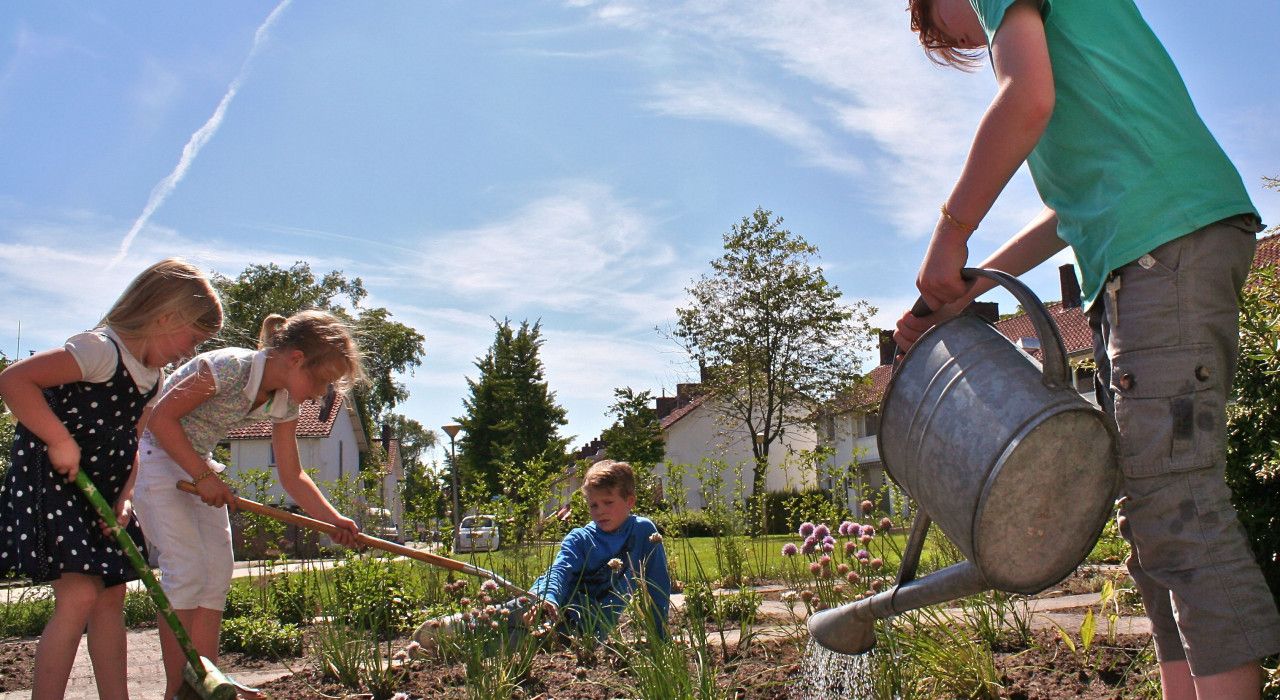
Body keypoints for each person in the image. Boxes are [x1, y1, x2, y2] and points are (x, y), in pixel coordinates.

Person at [894, 1, 1280, 698]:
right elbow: (1071, 211)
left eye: (949, 30)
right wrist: (974, 279)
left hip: (1162, 247)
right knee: (1154, 521)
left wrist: (950, 233)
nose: (967, 39)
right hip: (1154, 246)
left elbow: (1027, 98)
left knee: (1181, 510)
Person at [0, 258, 222, 700]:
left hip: (102, 492)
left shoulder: (152, 380)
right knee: (79, 597)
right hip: (55, 483)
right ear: (164, 316)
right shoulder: (100, 350)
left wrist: (124, 498)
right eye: (192, 338)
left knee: (110, 601)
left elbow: (132, 445)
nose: (189, 352)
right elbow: (14, 381)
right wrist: (59, 438)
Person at [132, 310, 365, 699]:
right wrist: (205, 477)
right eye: (321, 380)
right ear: (295, 359)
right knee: (186, 570)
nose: (321, 393)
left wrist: (333, 519)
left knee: (217, 573)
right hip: (155, 459)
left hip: (197, 466)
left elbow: (293, 475)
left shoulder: (285, 403)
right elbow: (158, 419)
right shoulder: (227, 368)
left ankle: (208, 685)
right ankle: (177, 690)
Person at [527, 459, 671, 638]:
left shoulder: (643, 532)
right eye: (593, 505)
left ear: (630, 501)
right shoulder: (580, 539)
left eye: (608, 502)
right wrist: (546, 595)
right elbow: (559, 571)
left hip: (591, 631)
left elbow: (658, 585)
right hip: (549, 609)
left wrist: (660, 635)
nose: (600, 511)